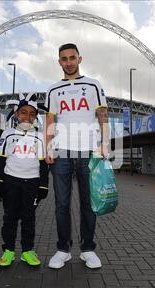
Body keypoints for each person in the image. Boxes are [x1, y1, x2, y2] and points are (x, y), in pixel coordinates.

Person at [45, 43, 109, 269]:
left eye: (72, 58)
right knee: (61, 204)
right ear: (59, 62)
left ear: (79, 59)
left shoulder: (93, 85)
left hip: (88, 152)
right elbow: (50, 120)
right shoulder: (53, 89)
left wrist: (105, 144)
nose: (69, 62)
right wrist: (48, 147)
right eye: (64, 59)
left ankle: (87, 249)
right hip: (62, 153)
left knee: (88, 204)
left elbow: (102, 115)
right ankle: (63, 249)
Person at [0, 92, 49, 267]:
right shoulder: (7, 133)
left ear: (35, 117)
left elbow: (43, 164)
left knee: (29, 218)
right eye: (23, 112)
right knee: (10, 217)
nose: (28, 116)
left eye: (32, 114)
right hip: (11, 182)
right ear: (16, 114)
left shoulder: (40, 136)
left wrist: (43, 185)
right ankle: (8, 251)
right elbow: (0, 158)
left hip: (32, 183)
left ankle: (27, 251)